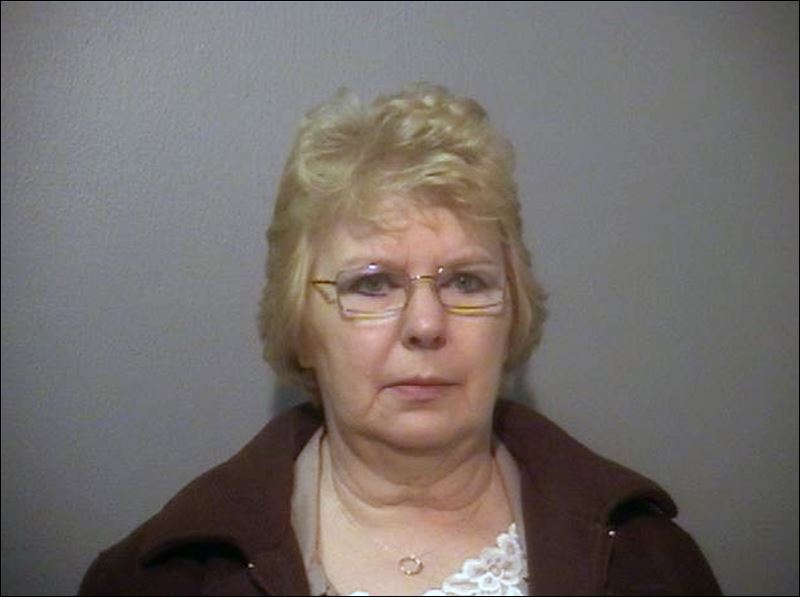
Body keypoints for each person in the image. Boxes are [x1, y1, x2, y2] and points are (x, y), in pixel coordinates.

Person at [79, 83, 720, 596]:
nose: (426, 325)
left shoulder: (650, 562)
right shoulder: (154, 580)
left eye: (466, 281)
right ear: (302, 325)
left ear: (513, 314)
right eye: (372, 284)